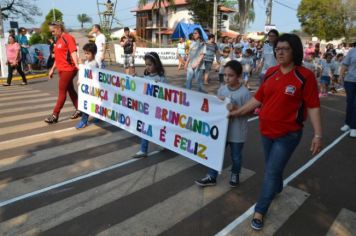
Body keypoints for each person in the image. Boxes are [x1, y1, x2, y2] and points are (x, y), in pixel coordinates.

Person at [229, 33, 322, 231]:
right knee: (273, 168)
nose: (280, 52)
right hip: (266, 131)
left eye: (285, 49)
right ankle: (277, 187)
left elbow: (313, 106)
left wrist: (318, 134)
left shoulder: (305, 76)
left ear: (294, 51)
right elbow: (257, 99)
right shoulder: (271, 72)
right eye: (277, 49)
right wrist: (237, 112)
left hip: (288, 135)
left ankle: (260, 210)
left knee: (270, 172)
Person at [195, 60, 251, 187]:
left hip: (237, 132)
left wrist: (235, 108)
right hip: (222, 130)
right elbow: (216, 110)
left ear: (238, 76)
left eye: (230, 75)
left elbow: (249, 112)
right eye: (225, 75)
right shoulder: (222, 90)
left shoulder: (245, 93)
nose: (227, 78)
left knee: (236, 156)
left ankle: (235, 173)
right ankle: (211, 176)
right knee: (215, 152)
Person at [45, 21, 81, 124]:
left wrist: (77, 64)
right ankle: (79, 109)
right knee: (70, 89)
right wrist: (52, 69)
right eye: (51, 32)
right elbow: (58, 57)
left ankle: (55, 115)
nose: (52, 33)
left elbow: (73, 51)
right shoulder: (59, 40)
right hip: (62, 69)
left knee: (62, 92)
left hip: (69, 69)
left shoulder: (68, 38)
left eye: (53, 31)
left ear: (59, 28)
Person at [133, 52, 166, 158]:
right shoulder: (146, 76)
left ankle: (162, 143)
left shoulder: (161, 78)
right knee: (144, 128)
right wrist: (136, 78)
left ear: (156, 64)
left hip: (157, 109)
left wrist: (159, 86)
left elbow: (167, 94)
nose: (147, 67)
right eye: (146, 64)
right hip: (146, 109)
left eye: (150, 64)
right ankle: (143, 149)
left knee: (157, 127)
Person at [76, 43, 99, 129]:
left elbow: (87, 72)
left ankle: (84, 121)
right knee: (87, 103)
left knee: (88, 104)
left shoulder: (94, 63)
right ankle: (94, 117)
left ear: (94, 53)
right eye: (85, 53)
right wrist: (79, 80)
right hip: (85, 87)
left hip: (92, 88)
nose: (86, 55)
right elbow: (82, 73)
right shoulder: (86, 62)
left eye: (88, 53)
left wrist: (82, 65)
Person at [339, 44, 356, 138]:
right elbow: (345, 64)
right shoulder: (352, 51)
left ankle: (354, 127)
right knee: (349, 102)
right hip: (349, 81)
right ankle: (347, 123)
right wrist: (341, 75)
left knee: (355, 104)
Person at [185, 28, 206, 92]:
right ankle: (187, 95)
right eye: (193, 33)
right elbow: (190, 54)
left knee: (198, 83)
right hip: (190, 65)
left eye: (195, 33)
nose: (194, 34)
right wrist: (186, 63)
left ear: (199, 34)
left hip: (199, 66)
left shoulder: (202, 43)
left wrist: (196, 64)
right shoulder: (192, 43)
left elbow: (203, 54)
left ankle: (200, 97)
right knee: (188, 81)